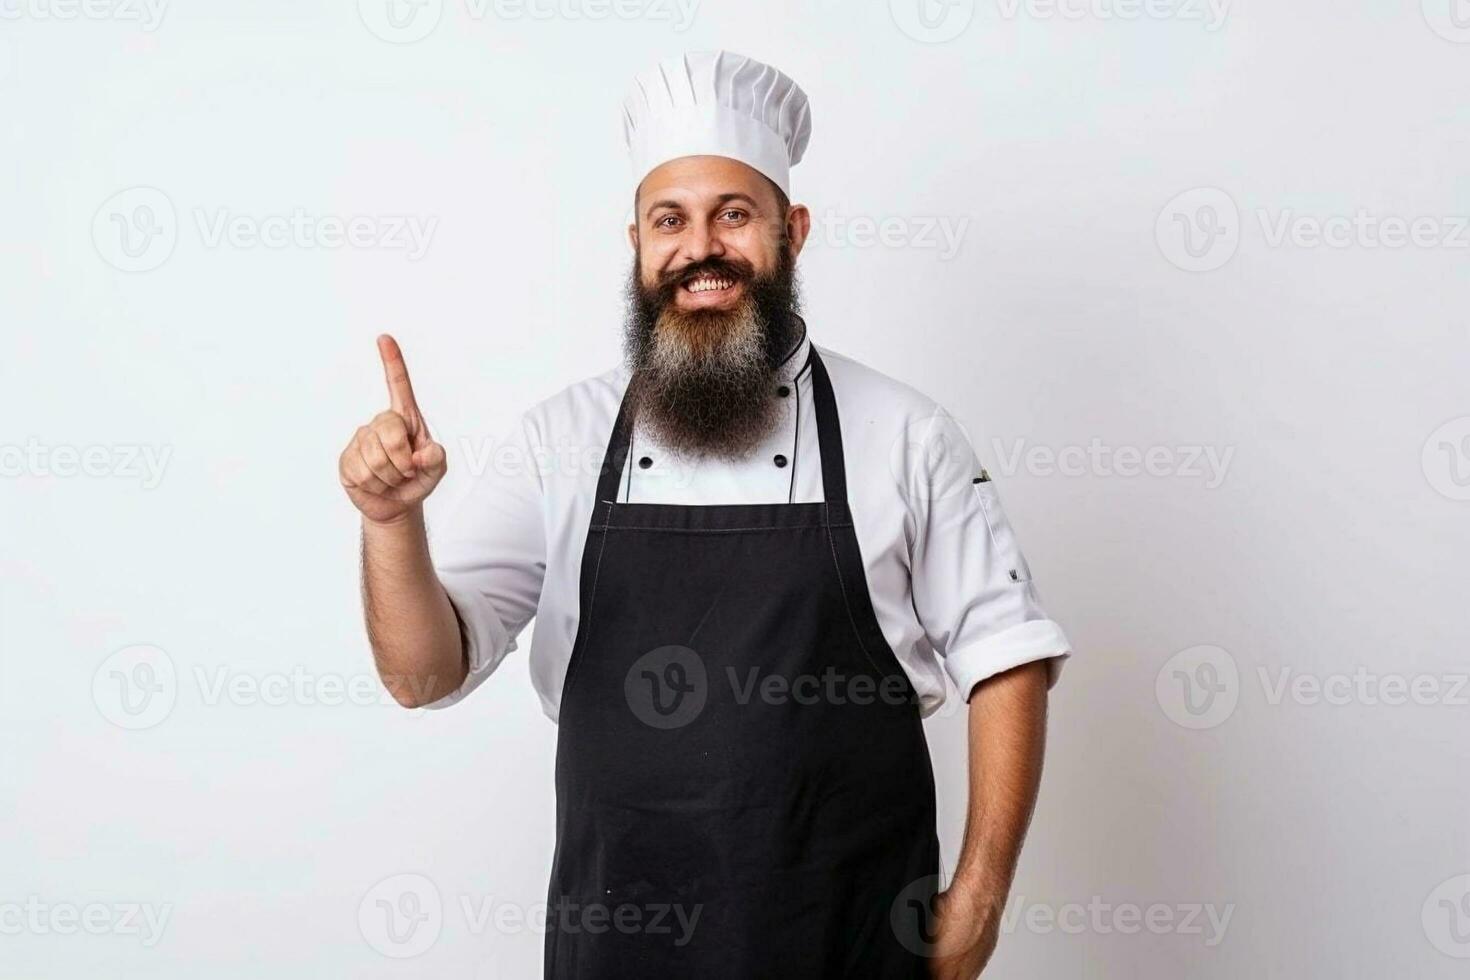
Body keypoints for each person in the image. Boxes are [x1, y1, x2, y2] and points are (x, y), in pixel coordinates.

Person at [338, 49, 1072, 979]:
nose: (701, 249)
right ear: (638, 247)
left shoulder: (906, 434)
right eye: (669, 221)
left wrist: (981, 894)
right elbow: (422, 676)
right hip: (619, 945)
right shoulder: (558, 438)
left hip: (850, 938)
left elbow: (1007, 658)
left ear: (792, 232)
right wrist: (390, 523)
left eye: (734, 214)